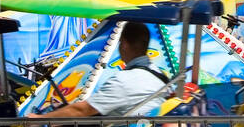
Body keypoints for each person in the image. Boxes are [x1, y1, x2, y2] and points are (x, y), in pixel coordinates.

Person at [39, 21, 168, 119]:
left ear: (124, 44)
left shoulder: (124, 80)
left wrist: (41, 118)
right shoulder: (159, 75)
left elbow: (83, 110)